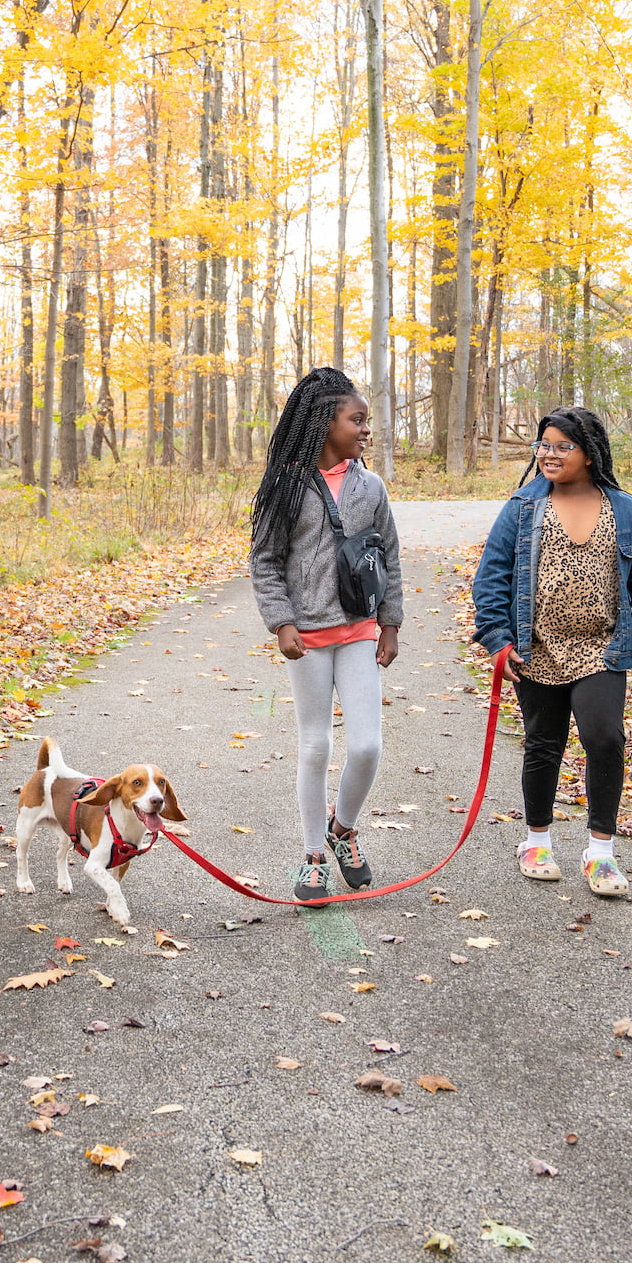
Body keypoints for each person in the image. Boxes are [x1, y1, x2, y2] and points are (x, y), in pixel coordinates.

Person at [469, 407, 632, 898]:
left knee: (605, 738)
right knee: (544, 744)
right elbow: (491, 577)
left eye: (563, 446)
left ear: (590, 453)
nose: (549, 454)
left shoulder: (626, 510)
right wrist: (497, 639)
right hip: (536, 647)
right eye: (543, 445)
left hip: (602, 646)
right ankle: (536, 841)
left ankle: (600, 853)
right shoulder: (522, 508)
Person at [249, 367, 404, 903]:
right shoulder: (286, 485)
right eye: (355, 420)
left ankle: (343, 830)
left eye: (366, 421)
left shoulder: (370, 486)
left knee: (366, 745)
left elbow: (390, 556)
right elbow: (265, 562)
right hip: (307, 636)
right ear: (323, 423)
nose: (365, 429)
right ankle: (313, 853)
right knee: (315, 745)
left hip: (361, 628)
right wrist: (282, 622)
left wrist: (391, 622)